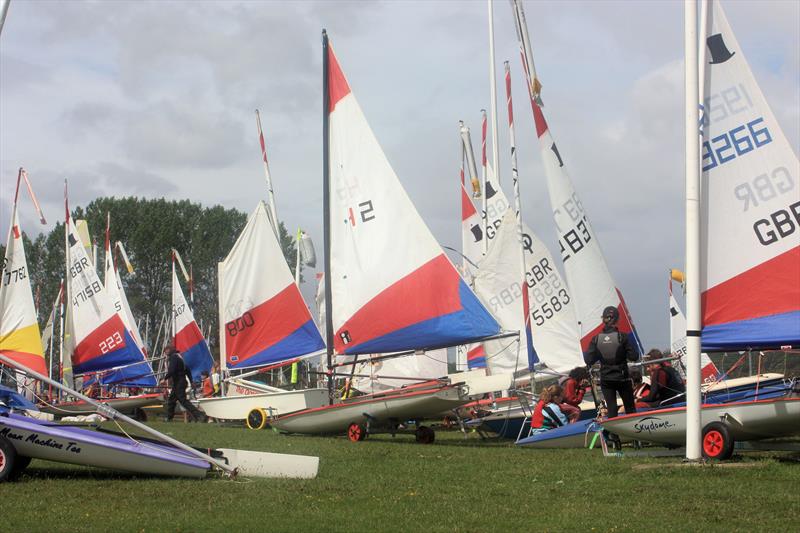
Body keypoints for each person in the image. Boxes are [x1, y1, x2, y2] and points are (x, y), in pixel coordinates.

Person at [583, 305, 638, 418]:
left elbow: (588, 360)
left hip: (606, 379)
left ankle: (613, 435)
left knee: (612, 410)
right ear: (617, 319)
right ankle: (634, 433)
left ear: (603, 319)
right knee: (630, 409)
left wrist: (601, 353)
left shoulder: (596, 339)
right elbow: (634, 357)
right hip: (622, 378)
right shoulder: (622, 337)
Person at [162, 343, 207, 422]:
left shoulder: (173, 357)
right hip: (180, 381)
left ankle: (200, 415)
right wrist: (191, 381)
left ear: (169, 350)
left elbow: (172, 370)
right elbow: (187, 369)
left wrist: (165, 378)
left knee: (183, 400)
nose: (165, 353)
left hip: (179, 381)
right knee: (172, 400)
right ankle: (169, 418)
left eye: (166, 351)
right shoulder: (179, 357)